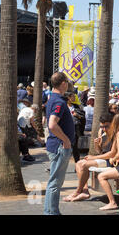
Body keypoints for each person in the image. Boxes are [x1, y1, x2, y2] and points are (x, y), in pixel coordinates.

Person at [63, 113, 115, 202]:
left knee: (84, 164)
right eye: (102, 126)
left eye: (106, 126)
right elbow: (99, 151)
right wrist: (96, 144)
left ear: (112, 124)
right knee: (79, 163)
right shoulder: (101, 131)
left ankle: (78, 191)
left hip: (110, 160)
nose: (104, 129)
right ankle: (85, 190)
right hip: (103, 158)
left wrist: (94, 158)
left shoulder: (116, 133)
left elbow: (112, 154)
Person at [44, 72, 75, 215]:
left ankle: (51, 211)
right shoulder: (58, 101)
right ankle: (52, 212)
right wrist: (66, 139)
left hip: (56, 145)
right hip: (59, 146)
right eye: (67, 82)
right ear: (63, 83)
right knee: (55, 183)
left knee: (55, 182)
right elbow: (52, 125)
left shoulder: (54, 99)